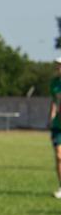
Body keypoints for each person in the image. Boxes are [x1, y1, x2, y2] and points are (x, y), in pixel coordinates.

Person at [50, 58, 61, 198]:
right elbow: (54, 101)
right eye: (57, 65)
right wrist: (51, 116)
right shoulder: (54, 83)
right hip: (58, 125)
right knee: (59, 156)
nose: (58, 67)